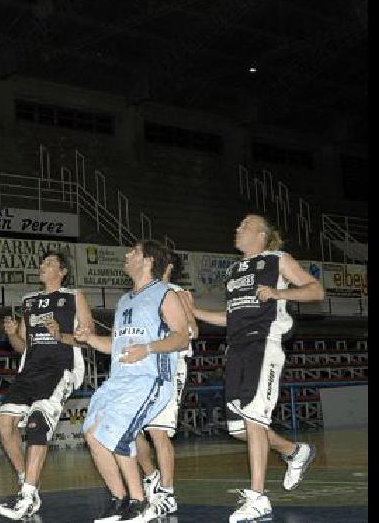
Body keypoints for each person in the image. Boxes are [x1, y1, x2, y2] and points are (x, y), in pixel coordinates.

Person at [192, 214, 324, 523]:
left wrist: (281, 293)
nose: (237, 228)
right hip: (237, 348)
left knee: (252, 419)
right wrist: (194, 311)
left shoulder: (277, 259)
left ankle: (258, 498)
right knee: (239, 428)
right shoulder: (234, 270)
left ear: (261, 234)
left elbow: (315, 290)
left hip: (264, 343)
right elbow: (230, 317)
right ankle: (293, 451)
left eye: (244, 225)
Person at [74, 240, 191, 523]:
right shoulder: (125, 300)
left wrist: (147, 348)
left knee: (118, 436)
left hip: (150, 379)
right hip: (119, 381)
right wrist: (89, 339)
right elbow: (115, 346)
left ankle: (140, 503)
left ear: (148, 261)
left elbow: (182, 337)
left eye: (133, 252)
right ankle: (119, 500)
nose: (127, 255)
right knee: (93, 434)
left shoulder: (165, 294)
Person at [0, 251, 94, 520]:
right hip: (30, 370)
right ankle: (28, 481)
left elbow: (90, 337)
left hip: (61, 368)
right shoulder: (29, 302)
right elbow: (22, 346)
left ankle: (26, 497)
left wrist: (60, 335)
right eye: (42, 263)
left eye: (50, 263)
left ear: (62, 272)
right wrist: (13, 334)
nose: (43, 266)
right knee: (4, 423)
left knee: (38, 422)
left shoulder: (74, 296)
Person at [135, 251, 198, 519]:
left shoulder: (176, 292)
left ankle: (168, 494)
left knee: (159, 433)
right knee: (128, 429)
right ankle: (151, 476)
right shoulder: (138, 294)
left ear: (168, 267)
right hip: (142, 367)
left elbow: (193, 331)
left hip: (169, 365)